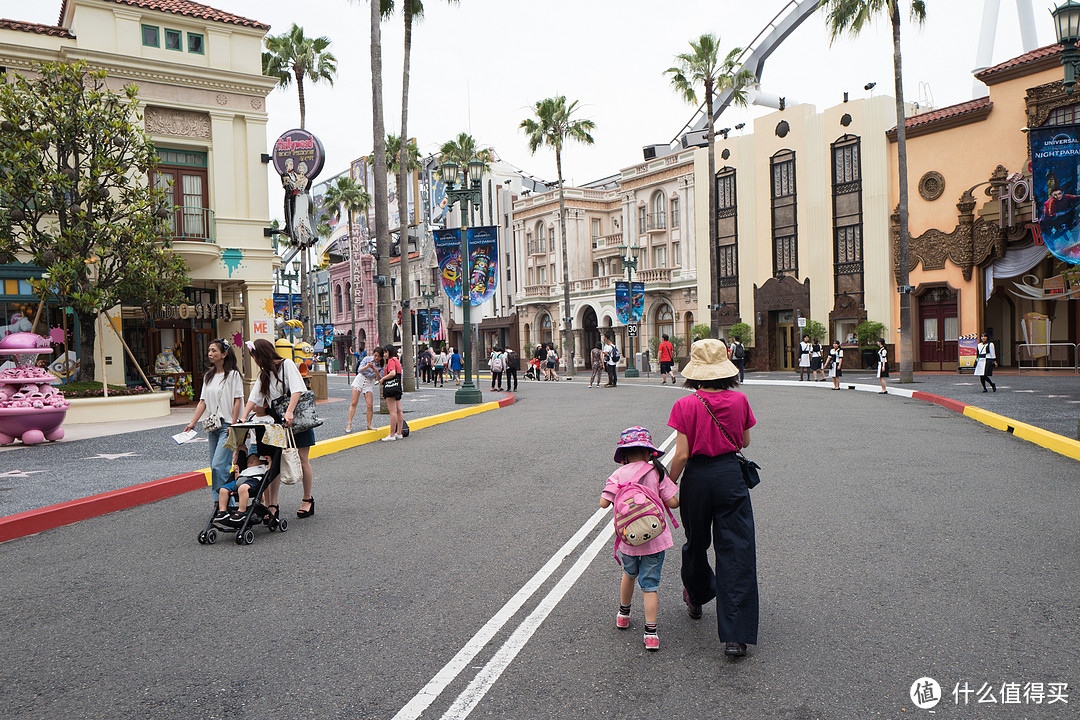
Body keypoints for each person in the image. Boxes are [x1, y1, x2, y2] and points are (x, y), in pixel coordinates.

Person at [667, 339, 758, 658]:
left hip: (697, 479)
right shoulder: (740, 400)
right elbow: (744, 441)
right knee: (737, 550)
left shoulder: (685, 406)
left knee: (696, 542)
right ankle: (736, 636)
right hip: (729, 476)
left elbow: (681, 454)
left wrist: (666, 484)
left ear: (695, 373)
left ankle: (695, 595)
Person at [600, 427, 679, 652]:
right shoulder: (656, 473)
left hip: (628, 540)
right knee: (650, 586)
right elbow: (673, 503)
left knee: (629, 574)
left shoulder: (618, 475)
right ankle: (651, 633)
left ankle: (623, 615)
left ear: (624, 456)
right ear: (648, 453)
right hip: (656, 540)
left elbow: (603, 504)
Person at [243, 338, 315, 519]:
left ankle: (307, 499)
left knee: (302, 459)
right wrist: (243, 418)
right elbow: (254, 398)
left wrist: (289, 412)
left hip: (296, 420)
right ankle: (272, 505)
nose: (255, 361)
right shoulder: (263, 375)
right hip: (277, 424)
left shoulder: (287, 364)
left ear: (263, 354)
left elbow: (298, 389)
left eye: (256, 357)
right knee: (272, 462)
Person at [183, 338, 243, 500]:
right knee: (215, 466)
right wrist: (192, 423)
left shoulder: (233, 375)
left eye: (214, 351)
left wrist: (235, 423)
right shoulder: (208, 376)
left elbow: (237, 399)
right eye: (209, 350)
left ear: (224, 354)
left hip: (227, 426)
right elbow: (202, 401)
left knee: (219, 465)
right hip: (213, 426)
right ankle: (219, 503)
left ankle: (226, 504)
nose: (210, 353)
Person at [214, 447, 269, 526]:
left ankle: (241, 511)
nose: (250, 461)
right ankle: (222, 511)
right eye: (248, 461)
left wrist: (270, 461)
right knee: (223, 489)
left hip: (253, 480)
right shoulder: (245, 470)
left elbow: (269, 470)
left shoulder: (262, 467)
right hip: (239, 481)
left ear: (261, 461)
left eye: (254, 459)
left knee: (243, 488)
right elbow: (238, 478)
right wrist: (237, 472)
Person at [346, 346, 384, 432]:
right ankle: (349, 424)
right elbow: (359, 370)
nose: (376, 358)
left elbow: (380, 378)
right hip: (360, 379)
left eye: (378, 356)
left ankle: (369, 424)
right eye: (375, 355)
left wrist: (376, 371)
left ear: (381, 357)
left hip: (369, 382)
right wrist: (367, 366)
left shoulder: (381, 365)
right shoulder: (367, 359)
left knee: (370, 404)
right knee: (354, 402)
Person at [379, 344, 405, 441]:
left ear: (389, 352)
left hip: (390, 388)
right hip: (397, 387)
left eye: (385, 352)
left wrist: (383, 379)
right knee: (399, 410)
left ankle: (391, 434)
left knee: (393, 411)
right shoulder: (396, 360)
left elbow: (392, 373)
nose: (384, 354)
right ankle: (399, 432)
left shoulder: (390, 361)